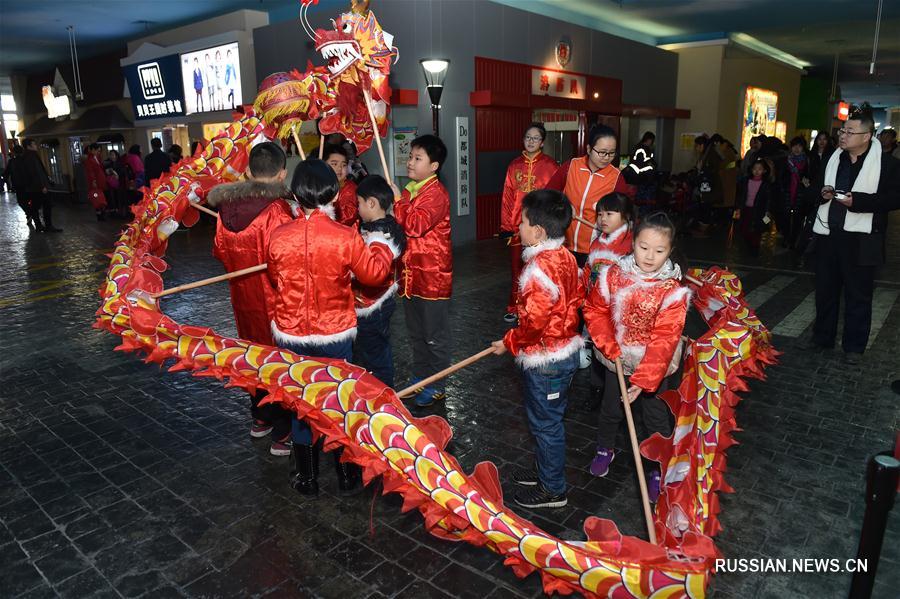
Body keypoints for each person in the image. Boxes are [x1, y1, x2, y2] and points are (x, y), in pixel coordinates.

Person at [266, 158, 398, 495]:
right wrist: (384, 246)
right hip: (334, 331)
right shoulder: (345, 236)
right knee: (339, 402)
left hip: (291, 332)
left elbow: (274, 277)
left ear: (295, 193)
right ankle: (346, 475)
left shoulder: (279, 236)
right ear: (334, 193)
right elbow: (373, 275)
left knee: (300, 403)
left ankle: (308, 478)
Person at [583, 212, 688, 503]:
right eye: (644, 247)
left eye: (659, 250)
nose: (650, 256)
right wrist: (608, 344)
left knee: (655, 417)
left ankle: (657, 467)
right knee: (610, 408)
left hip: (653, 366)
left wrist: (643, 380)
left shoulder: (673, 291)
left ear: (670, 251)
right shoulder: (613, 275)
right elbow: (595, 310)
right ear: (633, 243)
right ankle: (605, 447)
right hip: (615, 356)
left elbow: (665, 339)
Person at [490, 189, 583, 509]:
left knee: (547, 424)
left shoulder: (537, 271)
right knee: (546, 420)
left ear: (539, 231)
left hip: (548, 360)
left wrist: (509, 342)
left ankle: (553, 488)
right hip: (563, 352)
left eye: (523, 222)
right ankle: (546, 469)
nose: (518, 227)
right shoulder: (566, 257)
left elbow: (534, 324)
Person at [207, 141, 296, 457]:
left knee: (253, 355)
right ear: (282, 173)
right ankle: (284, 431)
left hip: (242, 300)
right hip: (275, 303)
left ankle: (260, 418)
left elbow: (220, 251)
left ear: (247, 172)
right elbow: (289, 259)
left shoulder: (225, 210)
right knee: (279, 361)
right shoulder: (278, 211)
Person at [810, 103, 900, 364]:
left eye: (850, 132)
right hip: (828, 234)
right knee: (825, 291)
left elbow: (894, 198)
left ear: (867, 136)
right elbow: (813, 190)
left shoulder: (887, 165)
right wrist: (822, 193)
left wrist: (858, 202)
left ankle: (854, 347)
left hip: (862, 239)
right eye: (842, 131)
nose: (843, 136)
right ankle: (822, 338)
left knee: (858, 294)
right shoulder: (832, 158)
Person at [394, 134, 453, 407]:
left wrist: (398, 202)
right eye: (410, 157)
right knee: (416, 334)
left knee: (434, 336)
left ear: (434, 166)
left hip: (432, 277)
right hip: (410, 276)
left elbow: (415, 225)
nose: (410, 162)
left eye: (418, 158)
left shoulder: (436, 194)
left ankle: (437, 383)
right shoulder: (410, 190)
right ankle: (420, 378)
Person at [547, 125, 629, 267]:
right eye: (602, 152)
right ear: (589, 149)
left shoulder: (616, 178)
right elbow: (549, 193)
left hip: (594, 248)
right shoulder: (571, 166)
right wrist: (564, 205)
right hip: (563, 242)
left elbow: (623, 215)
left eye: (611, 153)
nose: (606, 158)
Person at [582, 192, 635, 410]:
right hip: (596, 308)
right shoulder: (597, 242)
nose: (603, 218)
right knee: (597, 346)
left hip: (618, 310)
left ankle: (620, 396)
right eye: (600, 214)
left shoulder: (631, 244)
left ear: (626, 217)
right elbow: (588, 272)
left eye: (610, 214)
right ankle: (597, 389)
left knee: (616, 353)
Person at [499, 123, 558, 323]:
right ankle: (514, 307)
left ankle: (537, 307)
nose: (531, 141)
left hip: (541, 228)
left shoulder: (551, 166)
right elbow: (507, 197)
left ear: (542, 142)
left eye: (535, 138)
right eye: (528, 137)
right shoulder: (514, 165)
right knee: (517, 268)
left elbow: (556, 198)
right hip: (517, 227)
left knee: (539, 269)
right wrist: (506, 227)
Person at [352, 175, 407, 388]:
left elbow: (370, 270)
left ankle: (382, 393)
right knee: (373, 348)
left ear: (372, 203)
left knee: (375, 352)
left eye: (359, 203)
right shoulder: (386, 226)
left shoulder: (380, 235)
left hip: (373, 303)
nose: (357, 209)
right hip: (374, 302)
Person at [21, 138, 61, 232]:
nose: (36, 146)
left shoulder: (26, 156)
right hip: (38, 187)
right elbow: (36, 172)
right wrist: (42, 186)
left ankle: (39, 226)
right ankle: (47, 226)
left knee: (35, 207)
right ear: (28, 146)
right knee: (46, 205)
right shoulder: (31, 156)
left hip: (32, 187)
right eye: (34, 144)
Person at [738, 159, 776, 255]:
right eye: (754, 168)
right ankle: (748, 245)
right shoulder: (746, 181)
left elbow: (769, 199)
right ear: (751, 169)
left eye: (759, 169)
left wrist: (767, 212)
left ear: (764, 171)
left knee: (756, 231)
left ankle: (755, 248)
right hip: (746, 209)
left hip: (759, 211)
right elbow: (741, 195)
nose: (757, 171)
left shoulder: (766, 184)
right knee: (745, 229)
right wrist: (738, 208)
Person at [782, 136, 809, 248]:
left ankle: (793, 241)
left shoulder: (806, 161)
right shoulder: (786, 161)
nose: (797, 149)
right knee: (786, 218)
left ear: (803, 148)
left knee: (798, 219)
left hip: (800, 193)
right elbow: (782, 177)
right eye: (794, 146)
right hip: (788, 193)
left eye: (799, 146)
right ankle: (786, 238)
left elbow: (810, 175)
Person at [323, 144, 358, 227]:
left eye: (344, 165)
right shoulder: (318, 186)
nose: (339, 169)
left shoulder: (349, 188)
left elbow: (347, 218)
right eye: (334, 164)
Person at [624, 131, 657, 211]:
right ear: (649, 139)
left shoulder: (647, 149)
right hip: (640, 177)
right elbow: (640, 164)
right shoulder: (641, 149)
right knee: (641, 200)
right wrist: (651, 166)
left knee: (643, 199)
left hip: (644, 177)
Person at [4, 145, 36, 228]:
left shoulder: (11, 162)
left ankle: (29, 214)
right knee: (30, 200)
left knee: (21, 202)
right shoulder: (26, 160)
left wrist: (5, 180)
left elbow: (6, 173)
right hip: (29, 184)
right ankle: (31, 214)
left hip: (18, 185)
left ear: (14, 152)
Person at [83, 143, 108, 221]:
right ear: (93, 150)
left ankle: (101, 214)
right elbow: (90, 171)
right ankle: (100, 215)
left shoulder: (97, 157)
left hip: (100, 181)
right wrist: (93, 180)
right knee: (97, 199)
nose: (99, 152)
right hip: (95, 182)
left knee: (101, 198)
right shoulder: (89, 160)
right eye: (97, 151)